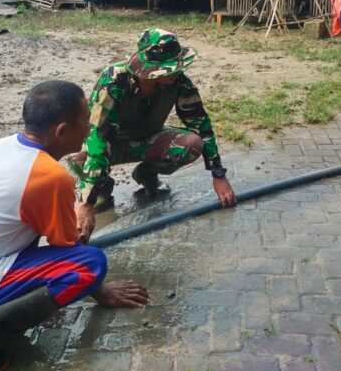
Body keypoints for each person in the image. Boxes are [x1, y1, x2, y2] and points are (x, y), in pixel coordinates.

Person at [0, 81, 149, 371]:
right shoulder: (50, 177)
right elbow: (67, 246)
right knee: (89, 264)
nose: (90, 127)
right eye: (85, 120)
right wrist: (100, 291)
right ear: (62, 131)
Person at [73, 28, 236, 242]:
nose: (175, 73)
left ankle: (147, 173)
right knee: (75, 165)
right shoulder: (114, 81)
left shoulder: (180, 83)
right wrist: (86, 201)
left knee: (192, 144)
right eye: (168, 70)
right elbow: (97, 137)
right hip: (110, 143)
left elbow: (201, 126)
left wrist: (218, 175)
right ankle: (102, 187)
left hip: (147, 140)